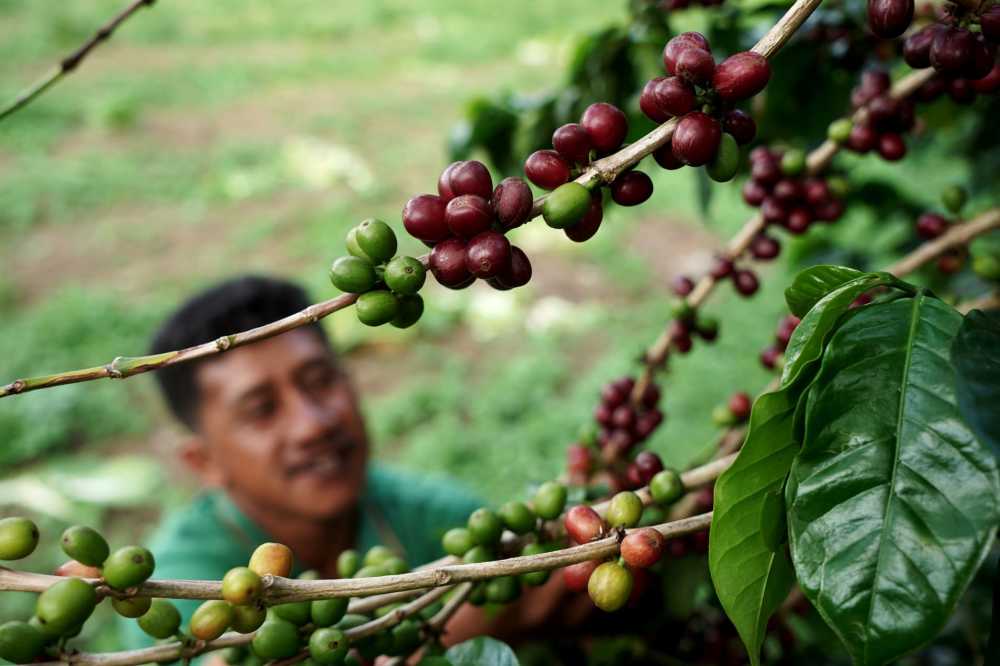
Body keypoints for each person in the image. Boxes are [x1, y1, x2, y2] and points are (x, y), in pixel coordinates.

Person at [120, 275, 580, 653]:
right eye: (261, 409)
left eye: (320, 382)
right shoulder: (169, 593)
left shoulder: (439, 517)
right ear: (204, 462)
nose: (312, 425)